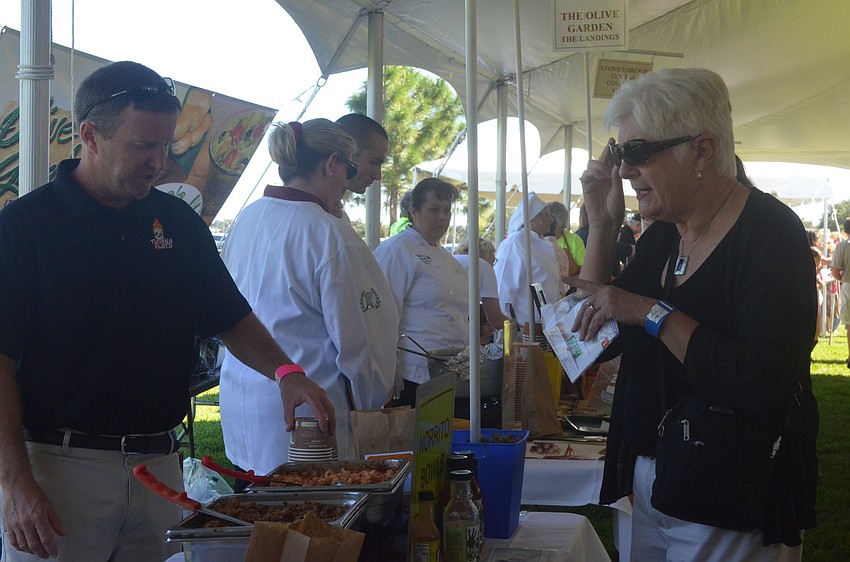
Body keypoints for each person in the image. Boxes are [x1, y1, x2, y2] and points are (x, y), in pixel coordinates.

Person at [0, 61, 334, 562]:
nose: (159, 162)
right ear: (89, 135)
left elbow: (229, 315)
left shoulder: (177, 220)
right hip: (61, 470)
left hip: (160, 465)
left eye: (165, 145)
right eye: (142, 146)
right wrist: (13, 482)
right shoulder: (25, 227)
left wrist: (287, 371)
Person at [571, 68, 817, 560]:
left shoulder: (769, 233)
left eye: (637, 153)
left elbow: (763, 379)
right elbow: (592, 334)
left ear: (702, 151)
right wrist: (601, 225)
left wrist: (652, 312)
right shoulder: (665, 232)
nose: (622, 171)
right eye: (620, 155)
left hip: (729, 483)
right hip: (653, 474)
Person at [219, 119, 399, 472]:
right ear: (331, 164)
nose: (348, 184)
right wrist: (375, 401)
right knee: (309, 518)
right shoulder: (330, 235)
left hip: (244, 405)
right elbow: (361, 342)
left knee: (256, 512)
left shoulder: (247, 219)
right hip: (306, 415)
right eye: (348, 170)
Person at [373, 178, 469, 407]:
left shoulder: (447, 258)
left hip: (447, 372)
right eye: (434, 209)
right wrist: (390, 367)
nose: (442, 217)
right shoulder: (397, 251)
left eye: (447, 210)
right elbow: (382, 314)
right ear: (413, 212)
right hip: (411, 374)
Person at [493, 192, 560, 326]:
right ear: (530, 219)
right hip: (523, 327)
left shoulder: (536, 242)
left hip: (545, 325)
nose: (551, 220)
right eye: (545, 215)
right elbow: (503, 290)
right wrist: (508, 328)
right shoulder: (514, 244)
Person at [332, 113, 389, 219]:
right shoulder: (317, 220)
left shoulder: (335, 217)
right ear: (348, 155)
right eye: (374, 162)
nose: (378, 176)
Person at [453, 237, 509, 331]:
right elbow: (495, 318)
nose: (493, 262)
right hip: (460, 331)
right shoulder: (484, 267)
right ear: (488, 253)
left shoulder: (450, 260)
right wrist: (518, 328)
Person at [829, 217, 850, 367]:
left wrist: (841, 279)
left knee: (849, 323)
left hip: (848, 285)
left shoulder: (843, 246)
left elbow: (835, 271)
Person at [545, 201, 585, 277]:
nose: (548, 223)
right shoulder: (538, 240)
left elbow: (582, 271)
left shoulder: (575, 240)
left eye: (551, 220)